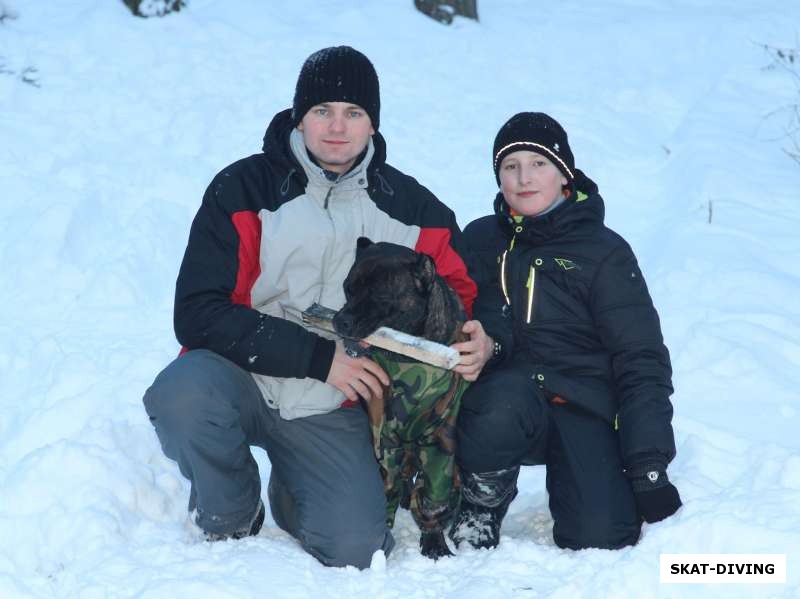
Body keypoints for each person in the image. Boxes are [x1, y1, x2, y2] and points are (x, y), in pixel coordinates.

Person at [142, 46, 488, 569]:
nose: (336, 128)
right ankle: (230, 508)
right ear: (299, 116)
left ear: (373, 124)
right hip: (241, 375)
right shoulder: (243, 188)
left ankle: (296, 489)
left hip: (336, 404)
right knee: (181, 395)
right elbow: (197, 311)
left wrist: (485, 336)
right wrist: (318, 358)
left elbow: (468, 293)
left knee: (355, 549)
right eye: (322, 111)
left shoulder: (416, 212)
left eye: (354, 113)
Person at [449, 112, 681, 551]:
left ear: (563, 173)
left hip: (584, 404)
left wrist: (648, 463)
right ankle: (481, 501)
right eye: (510, 166)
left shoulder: (604, 252)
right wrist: (487, 345)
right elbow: (469, 314)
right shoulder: (480, 239)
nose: (524, 178)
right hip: (507, 397)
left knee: (600, 536)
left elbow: (641, 357)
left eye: (538, 164)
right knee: (497, 406)